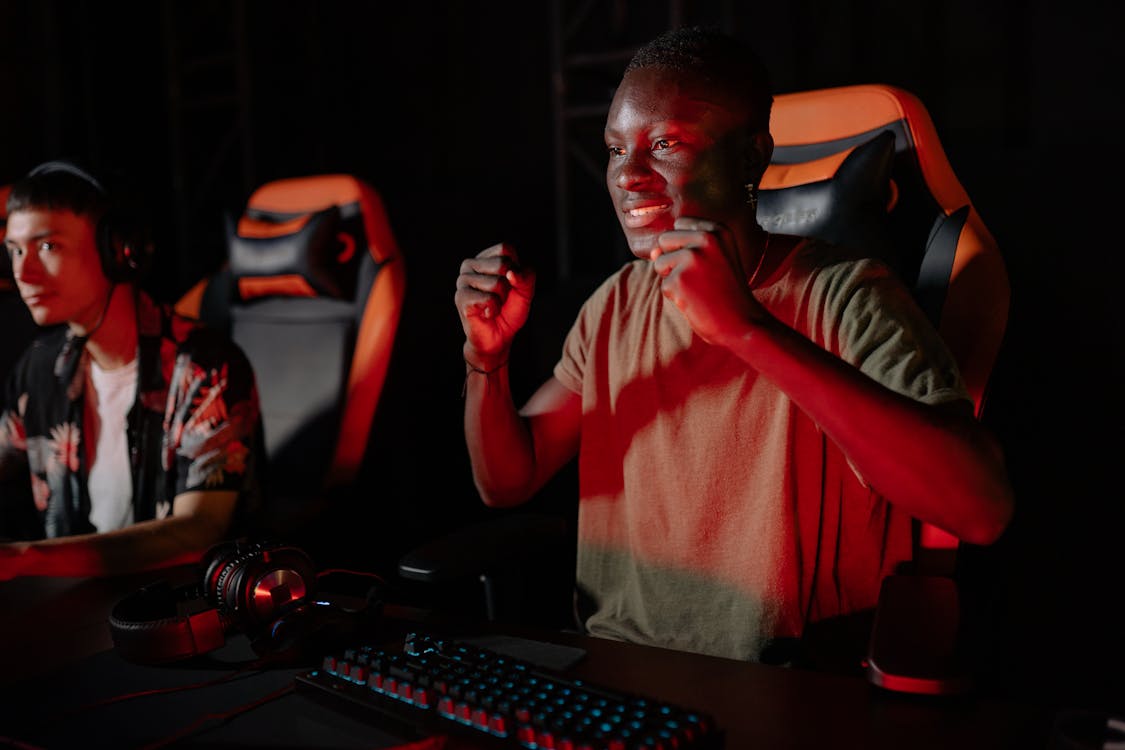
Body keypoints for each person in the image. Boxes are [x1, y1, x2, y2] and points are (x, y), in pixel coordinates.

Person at [454, 27, 1014, 666]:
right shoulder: (614, 303)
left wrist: (746, 329)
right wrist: (486, 361)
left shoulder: (847, 295)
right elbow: (507, 480)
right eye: (614, 150)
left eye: (664, 144)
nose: (628, 175)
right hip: (613, 671)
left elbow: (981, 509)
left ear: (752, 158)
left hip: (775, 687)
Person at [0, 161, 262, 580]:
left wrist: (29, 559)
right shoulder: (41, 367)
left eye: (47, 247)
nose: (22, 272)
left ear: (119, 251)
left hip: (178, 614)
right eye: (15, 250)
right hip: (76, 610)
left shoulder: (205, 368)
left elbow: (198, 531)